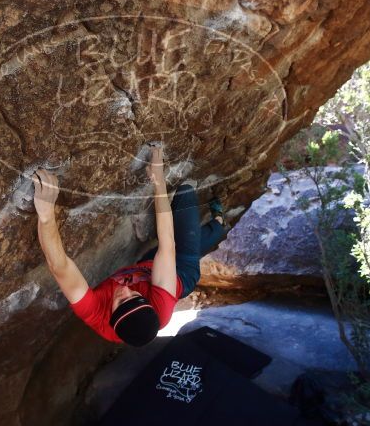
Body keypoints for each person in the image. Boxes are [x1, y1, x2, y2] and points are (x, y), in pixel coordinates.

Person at [33, 146, 226, 347]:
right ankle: (219, 225)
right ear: (149, 303)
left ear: (111, 315)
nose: (125, 290)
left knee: (185, 239)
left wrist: (46, 215)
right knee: (185, 193)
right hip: (181, 273)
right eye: (135, 295)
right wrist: (158, 179)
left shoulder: (96, 313)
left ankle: (216, 229)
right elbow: (167, 243)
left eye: (122, 301)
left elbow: (60, 267)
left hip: (147, 268)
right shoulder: (162, 305)